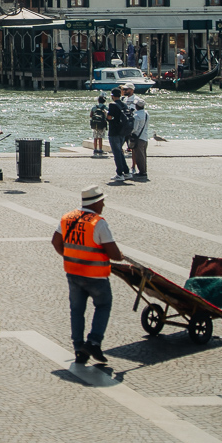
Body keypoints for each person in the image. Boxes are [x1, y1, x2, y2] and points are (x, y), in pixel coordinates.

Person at [52, 185, 124, 365]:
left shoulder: (67, 218)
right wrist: (120, 256)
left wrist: (68, 255)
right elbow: (113, 253)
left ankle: (78, 348)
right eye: (102, 201)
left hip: (73, 273)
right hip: (96, 276)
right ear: (96, 202)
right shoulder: (98, 223)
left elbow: (55, 241)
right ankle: (93, 342)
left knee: (77, 311)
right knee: (103, 305)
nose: (104, 205)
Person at [105, 87, 133, 179]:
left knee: (116, 153)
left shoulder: (112, 105)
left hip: (114, 131)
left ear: (112, 96)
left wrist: (105, 114)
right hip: (123, 131)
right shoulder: (124, 105)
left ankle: (119, 173)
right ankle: (126, 171)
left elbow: (109, 117)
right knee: (120, 152)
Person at [129, 99, 151, 180]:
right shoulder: (146, 114)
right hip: (145, 136)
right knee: (143, 155)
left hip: (138, 138)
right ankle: (143, 170)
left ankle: (142, 172)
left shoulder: (136, 115)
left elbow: (135, 128)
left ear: (137, 106)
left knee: (139, 156)